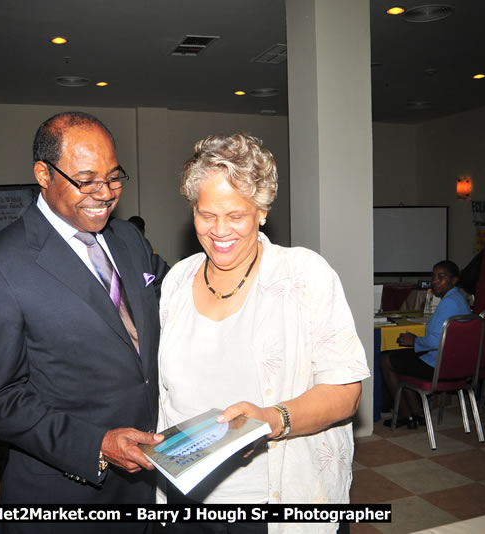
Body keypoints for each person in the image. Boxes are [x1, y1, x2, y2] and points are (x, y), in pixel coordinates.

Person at [0, 111, 169, 534]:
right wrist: (98, 446)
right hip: (66, 494)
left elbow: (177, 298)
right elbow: (0, 401)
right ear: (43, 174)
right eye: (86, 179)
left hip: (147, 483)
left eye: (113, 177)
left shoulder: (128, 239)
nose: (105, 193)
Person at [156, 133, 370, 534]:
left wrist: (274, 420)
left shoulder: (304, 275)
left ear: (262, 210)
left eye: (235, 215)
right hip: (187, 501)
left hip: (273, 504)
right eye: (206, 214)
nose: (219, 231)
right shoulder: (177, 281)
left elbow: (345, 392)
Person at [381, 260, 471, 428]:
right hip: (457, 364)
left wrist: (414, 341)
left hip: (439, 366)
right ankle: (418, 414)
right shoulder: (459, 300)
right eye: (434, 277)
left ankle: (405, 414)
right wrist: (417, 342)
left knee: (387, 361)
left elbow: (437, 340)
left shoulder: (449, 303)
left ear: (454, 280)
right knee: (402, 360)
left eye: (441, 277)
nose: (435, 281)